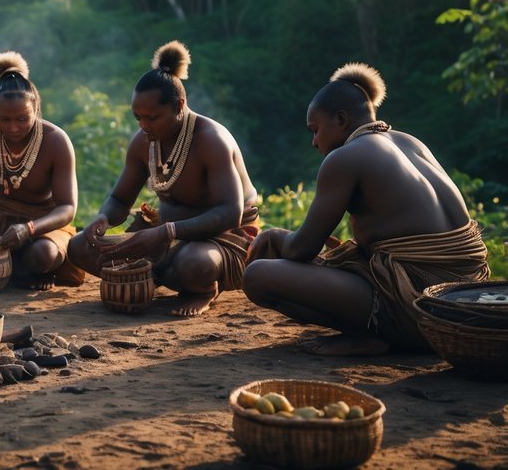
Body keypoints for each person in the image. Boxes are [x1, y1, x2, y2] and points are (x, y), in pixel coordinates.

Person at [242, 63, 489, 355]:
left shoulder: (345, 158)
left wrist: (273, 237)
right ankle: (373, 329)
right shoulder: (411, 142)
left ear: (342, 119)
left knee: (257, 276)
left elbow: (301, 250)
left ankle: (364, 335)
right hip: (466, 301)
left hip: (420, 309)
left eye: (316, 129)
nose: (314, 141)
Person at [67, 41, 259, 316]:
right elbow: (120, 199)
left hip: (222, 239)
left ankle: (202, 287)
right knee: (80, 247)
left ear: (179, 105)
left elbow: (231, 213)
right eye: (138, 118)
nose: (143, 126)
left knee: (195, 265)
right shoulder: (144, 142)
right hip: (162, 237)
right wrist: (103, 218)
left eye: (152, 118)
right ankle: (157, 273)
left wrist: (167, 232)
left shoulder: (210, 140)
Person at [0, 52, 85, 291]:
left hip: (43, 226)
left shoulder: (56, 141)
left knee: (43, 255)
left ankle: (23, 269)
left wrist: (29, 229)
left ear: (36, 109)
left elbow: (67, 208)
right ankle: (17, 272)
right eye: (4, 120)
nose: (13, 128)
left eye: (22, 119)